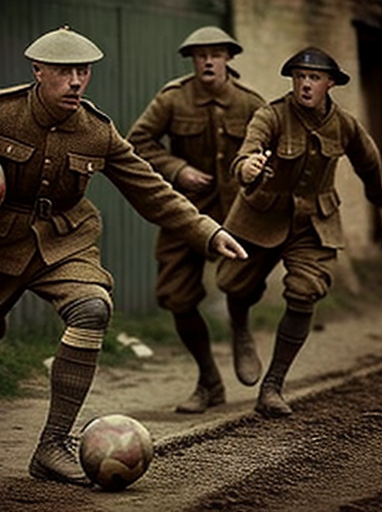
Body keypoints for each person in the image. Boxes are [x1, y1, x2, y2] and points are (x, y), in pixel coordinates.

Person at [0, 27, 247, 485]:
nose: (77, 82)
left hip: (66, 240)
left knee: (92, 307)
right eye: (65, 72)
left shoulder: (97, 131)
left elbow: (150, 190)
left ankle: (52, 444)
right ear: (37, 71)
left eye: (83, 71)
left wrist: (207, 230)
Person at [216, 46, 382, 418]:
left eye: (313, 78)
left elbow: (370, 162)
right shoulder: (272, 115)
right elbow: (248, 152)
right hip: (261, 214)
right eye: (299, 77)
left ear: (330, 83)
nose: (305, 85)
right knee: (235, 285)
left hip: (314, 222)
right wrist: (248, 169)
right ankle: (241, 329)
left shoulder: (344, 125)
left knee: (305, 290)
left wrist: (381, 210)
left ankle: (273, 386)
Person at [127, 26, 265, 413]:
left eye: (215, 54)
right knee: (175, 295)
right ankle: (209, 381)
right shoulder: (172, 99)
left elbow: (273, 151)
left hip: (239, 212)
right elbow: (137, 142)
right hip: (186, 210)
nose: (207, 61)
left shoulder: (250, 104)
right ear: (192, 60)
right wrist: (177, 168)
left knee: (241, 283)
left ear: (228, 58)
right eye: (200, 54)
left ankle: (240, 328)